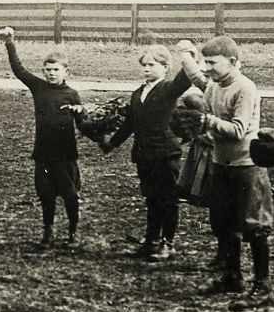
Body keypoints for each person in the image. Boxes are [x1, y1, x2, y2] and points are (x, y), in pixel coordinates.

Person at [179, 35, 274, 308]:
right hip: (220, 163)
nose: (206, 68)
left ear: (232, 62)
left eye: (212, 62)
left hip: (247, 166)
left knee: (254, 227)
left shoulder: (245, 88)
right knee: (223, 223)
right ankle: (232, 276)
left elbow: (238, 129)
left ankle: (262, 285)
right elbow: (209, 123)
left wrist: (205, 121)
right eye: (204, 62)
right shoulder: (213, 87)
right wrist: (197, 127)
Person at [82, 41, 199, 260]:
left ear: (165, 67)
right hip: (144, 155)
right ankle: (151, 239)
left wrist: (190, 54)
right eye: (144, 65)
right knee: (151, 198)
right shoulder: (138, 93)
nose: (147, 69)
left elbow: (186, 77)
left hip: (165, 153)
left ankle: (168, 243)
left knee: (168, 198)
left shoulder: (168, 88)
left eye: (152, 65)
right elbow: (130, 123)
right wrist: (112, 144)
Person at [0, 28, 84, 248]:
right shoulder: (39, 87)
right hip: (44, 153)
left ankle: (73, 233)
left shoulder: (72, 94)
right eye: (47, 70)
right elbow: (19, 70)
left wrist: (81, 113)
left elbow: (84, 123)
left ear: (66, 71)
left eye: (56, 70)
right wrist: (10, 44)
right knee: (46, 195)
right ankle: (47, 234)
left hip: (65, 154)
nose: (51, 74)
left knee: (70, 196)